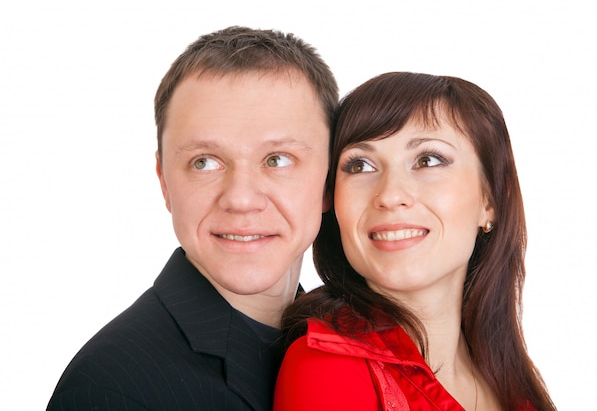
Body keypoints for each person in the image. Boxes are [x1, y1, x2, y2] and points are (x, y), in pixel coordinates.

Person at [47, 26, 338, 411]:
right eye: (204, 162)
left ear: (330, 180)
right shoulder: (110, 388)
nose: (241, 199)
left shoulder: (346, 351)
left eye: (277, 159)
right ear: (165, 181)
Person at [274, 72, 557, 411]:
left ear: (491, 200)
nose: (390, 196)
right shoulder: (326, 367)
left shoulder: (511, 380)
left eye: (427, 160)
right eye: (360, 165)